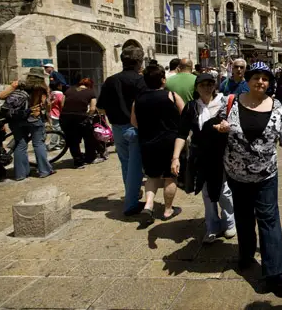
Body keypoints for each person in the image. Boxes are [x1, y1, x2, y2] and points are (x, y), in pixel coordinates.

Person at [215, 61, 282, 295]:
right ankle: (246, 254)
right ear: (247, 80)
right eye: (256, 77)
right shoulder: (229, 102)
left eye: (265, 78)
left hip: (266, 174)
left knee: (269, 219)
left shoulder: (278, 106)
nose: (261, 82)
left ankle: (275, 273)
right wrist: (220, 126)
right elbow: (216, 124)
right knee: (243, 216)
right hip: (236, 173)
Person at [172, 72, 236, 244]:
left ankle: (230, 222)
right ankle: (212, 226)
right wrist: (175, 157)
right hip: (201, 155)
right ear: (197, 88)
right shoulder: (192, 107)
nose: (207, 87)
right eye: (203, 85)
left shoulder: (226, 102)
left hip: (223, 153)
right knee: (207, 191)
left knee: (224, 190)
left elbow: (238, 127)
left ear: (215, 85)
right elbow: (182, 133)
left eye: (210, 84)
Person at [97, 45, 147, 216]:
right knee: (135, 167)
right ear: (139, 62)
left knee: (126, 164)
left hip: (117, 127)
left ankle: (131, 195)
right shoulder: (141, 81)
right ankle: (131, 204)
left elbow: (101, 107)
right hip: (136, 128)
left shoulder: (110, 81)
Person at [132, 65, 184, 224]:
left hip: (148, 142)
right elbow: (185, 116)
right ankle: (168, 210)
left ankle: (148, 206)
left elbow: (134, 122)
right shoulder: (172, 95)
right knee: (170, 176)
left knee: (152, 175)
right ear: (163, 79)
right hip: (170, 142)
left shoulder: (138, 99)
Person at [0, 68, 55, 180]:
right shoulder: (42, 88)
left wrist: (13, 86)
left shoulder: (19, 85)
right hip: (34, 119)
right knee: (38, 144)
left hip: (17, 119)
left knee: (20, 145)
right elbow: (47, 105)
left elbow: (1, 96)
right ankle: (44, 170)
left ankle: (20, 174)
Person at [60, 78, 101, 168]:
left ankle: (78, 161)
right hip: (80, 117)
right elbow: (93, 108)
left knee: (72, 140)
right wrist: (88, 115)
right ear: (90, 85)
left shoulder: (69, 90)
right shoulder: (90, 92)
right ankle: (90, 158)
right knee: (89, 138)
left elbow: (62, 104)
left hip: (65, 117)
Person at [48, 81, 64, 150]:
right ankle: (55, 144)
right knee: (59, 130)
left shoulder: (52, 94)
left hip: (52, 113)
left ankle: (58, 143)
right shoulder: (60, 94)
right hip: (59, 114)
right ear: (58, 86)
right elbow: (62, 104)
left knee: (56, 129)